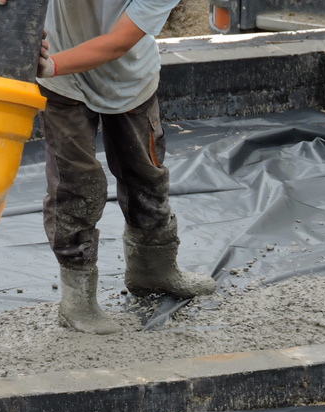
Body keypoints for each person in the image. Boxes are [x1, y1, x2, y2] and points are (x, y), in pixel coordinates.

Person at [35, 0, 217, 335]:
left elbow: (118, 41)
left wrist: (52, 65)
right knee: (75, 184)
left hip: (127, 76)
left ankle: (152, 271)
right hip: (64, 87)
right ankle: (77, 302)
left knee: (145, 175)